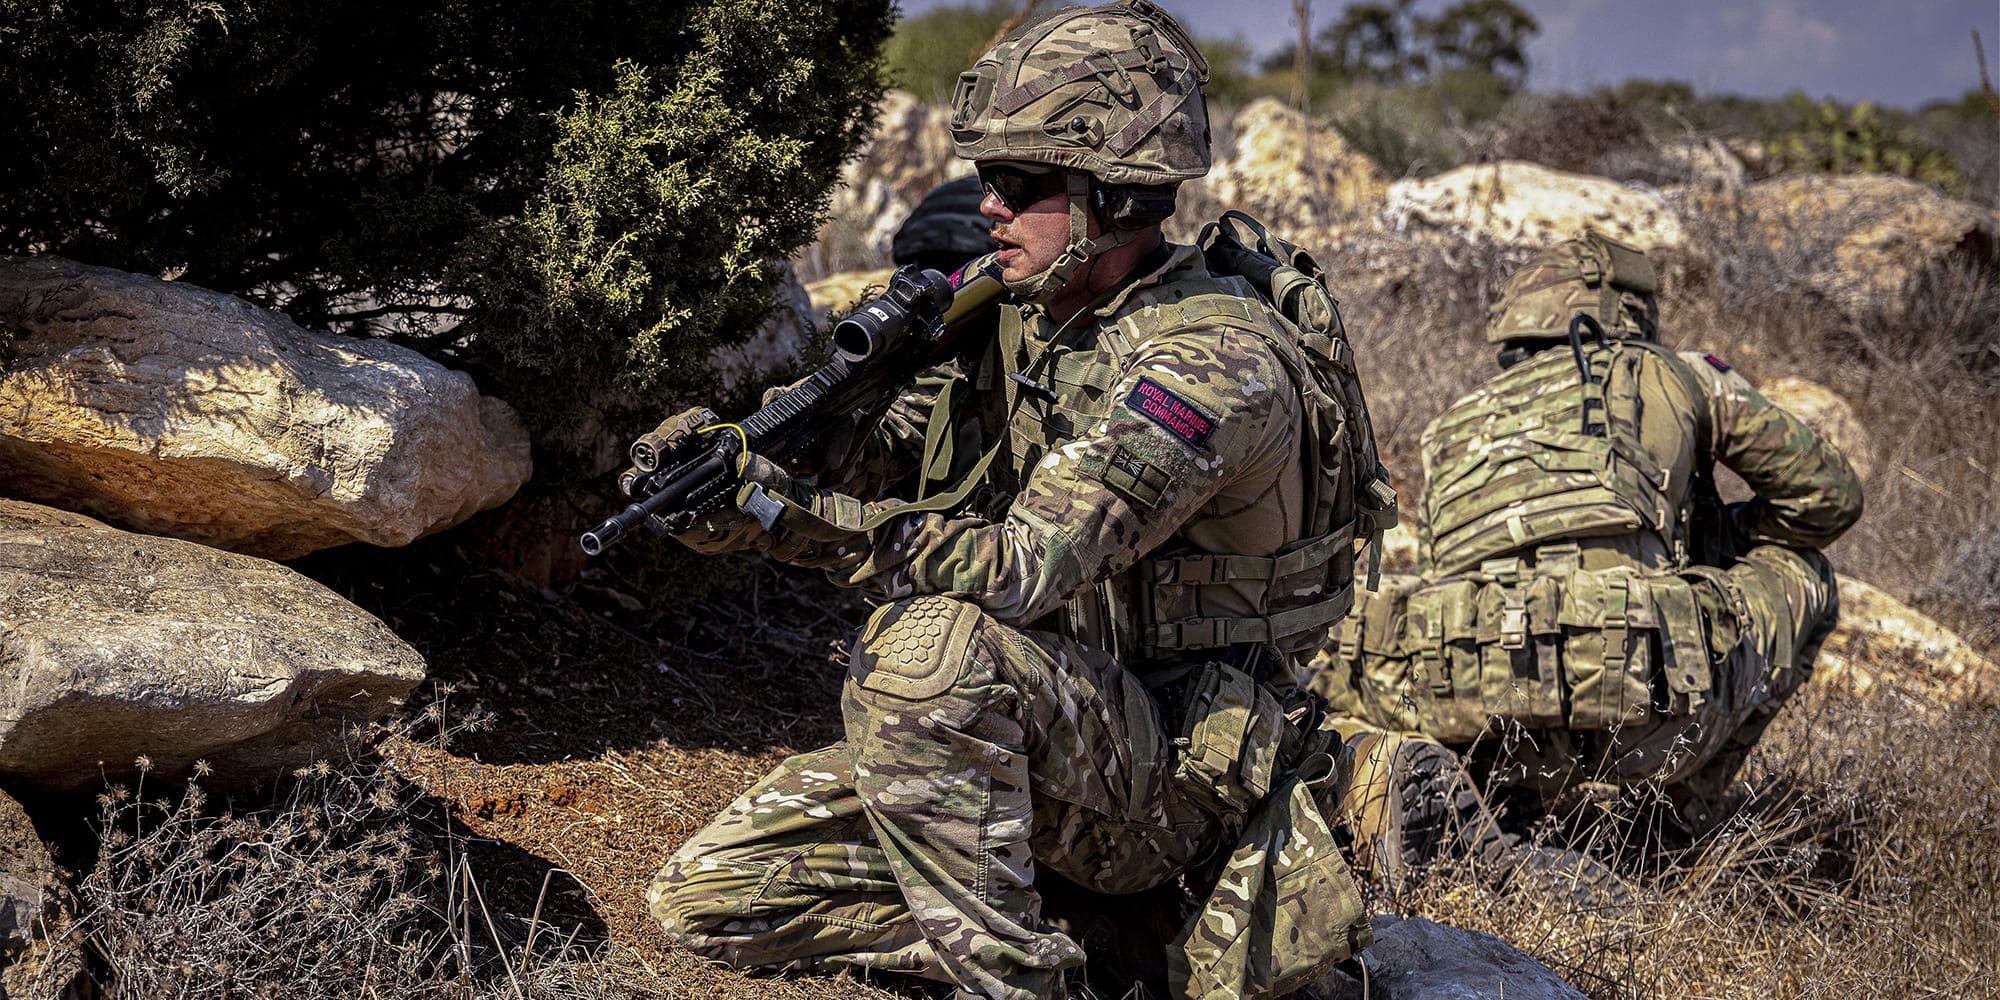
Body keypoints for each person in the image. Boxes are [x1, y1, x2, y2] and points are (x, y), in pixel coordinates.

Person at [642, 5, 1524, 998]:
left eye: (1021, 185)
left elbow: (1021, 570)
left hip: (1175, 782)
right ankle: (1099, 948)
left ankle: (1023, 976)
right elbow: (891, 453)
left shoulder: (1207, 365)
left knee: (923, 652)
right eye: (985, 179)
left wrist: (780, 516)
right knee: (714, 895)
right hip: (1048, 738)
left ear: (1114, 193)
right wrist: (740, 455)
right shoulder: (1027, 316)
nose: (986, 207)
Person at [1316, 233, 1864, 831]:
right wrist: (1730, 533)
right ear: (1625, 308)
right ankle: (1678, 821)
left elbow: (1444, 574)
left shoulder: (1452, 425)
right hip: (1645, 717)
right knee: (1809, 574)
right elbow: (1828, 499)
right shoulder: (1679, 375)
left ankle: (1497, 807)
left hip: (1485, 724)